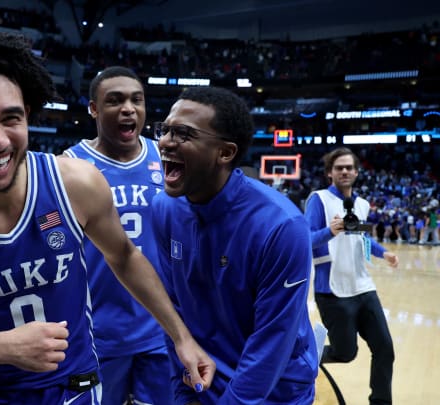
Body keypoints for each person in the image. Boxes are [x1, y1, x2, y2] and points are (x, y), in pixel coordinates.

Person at [0, 24, 215, 404]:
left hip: (75, 392)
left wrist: (181, 337)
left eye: (11, 119)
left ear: (27, 116)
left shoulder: (76, 185)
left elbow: (124, 256)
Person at [150, 86, 318, 404]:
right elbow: (173, 311)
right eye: (166, 129)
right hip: (203, 379)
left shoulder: (282, 226)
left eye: (183, 133)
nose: (166, 142)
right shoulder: (164, 208)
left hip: (273, 391)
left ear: (225, 153)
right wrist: (181, 390)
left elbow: (272, 341)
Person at [63, 66, 170, 405]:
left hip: (161, 326)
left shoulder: (166, 159)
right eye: (115, 100)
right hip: (98, 332)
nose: (128, 108)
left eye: (136, 100)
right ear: (93, 108)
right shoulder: (69, 165)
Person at [305, 147, 399, 405]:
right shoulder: (319, 199)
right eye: (339, 168)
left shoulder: (361, 204)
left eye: (349, 167)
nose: (344, 171)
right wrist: (329, 232)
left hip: (364, 287)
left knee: (385, 348)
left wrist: (384, 253)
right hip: (333, 291)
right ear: (329, 173)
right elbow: (304, 240)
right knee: (345, 354)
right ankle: (304, 353)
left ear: (357, 172)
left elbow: (362, 237)